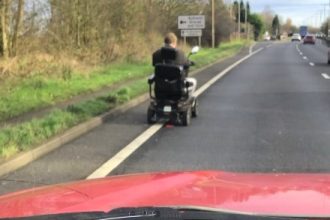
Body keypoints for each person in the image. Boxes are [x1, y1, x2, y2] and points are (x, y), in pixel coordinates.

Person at [152, 32, 197, 97]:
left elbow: (154, 64)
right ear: (174, 42)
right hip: (177, 91)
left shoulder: (156, 54)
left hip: (160, 90)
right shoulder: (180, 53)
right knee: (193, 81)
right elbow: (186, 64)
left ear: (165, 42)